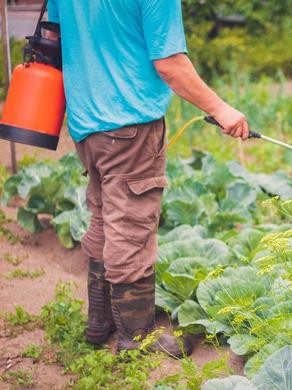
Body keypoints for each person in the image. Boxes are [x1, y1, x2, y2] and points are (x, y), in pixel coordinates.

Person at [47, 0, 249, 357]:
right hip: (129, 124)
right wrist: (221, 109)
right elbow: (170, 65)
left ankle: (101, 321)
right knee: (131, 228)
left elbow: (58, 36)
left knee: (104, 217)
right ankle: (135, 338)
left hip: (85, 123)